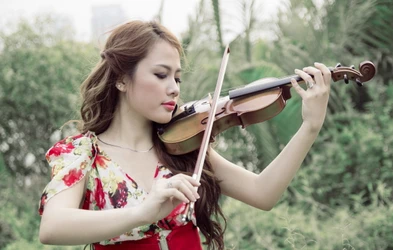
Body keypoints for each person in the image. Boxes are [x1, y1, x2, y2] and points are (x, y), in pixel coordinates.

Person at [38, 20, 331, 250]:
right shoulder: (83, 153)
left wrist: (309, 128)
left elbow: (263, 194)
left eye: (177, 77)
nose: (175, 88)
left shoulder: (182, 144)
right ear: (121, 80)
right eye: (161, 75)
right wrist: (143, 212)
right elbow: (53, 227)